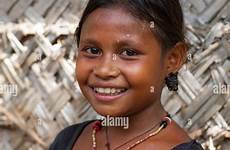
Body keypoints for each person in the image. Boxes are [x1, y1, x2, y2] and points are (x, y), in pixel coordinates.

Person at [50, 0, 204, 149]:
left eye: (128, 53)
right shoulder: (67, 141)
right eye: (92, 50)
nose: (104, 70)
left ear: (172, 59)